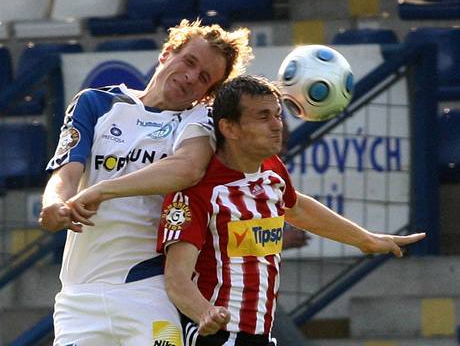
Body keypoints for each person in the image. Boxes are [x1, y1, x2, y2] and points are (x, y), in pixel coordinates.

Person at [156, 75, 426, 346]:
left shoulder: (272, 170)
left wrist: (365, 239)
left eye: (277, 114)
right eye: (263, 117)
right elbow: (176, 280)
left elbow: (296, 207)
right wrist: (206, 313)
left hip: (259, 335)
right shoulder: (196, 192)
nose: (278, 126)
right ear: (229, 128)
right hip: (215, 336)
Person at [38, 19, 253, 346]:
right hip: (78, 297)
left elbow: (187, 169)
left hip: (149, 293)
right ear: (167, 53)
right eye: (189, 61)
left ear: (208, 94)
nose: (191, 77)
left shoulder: (197, 121)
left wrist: (102, 190)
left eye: (204, 78)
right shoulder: (95, 103)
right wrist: (53, 204)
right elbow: (65, 174)